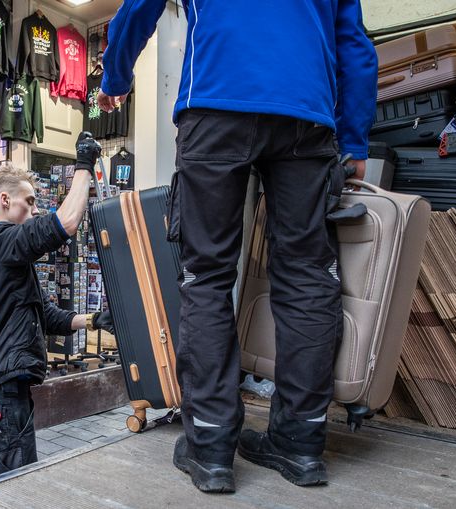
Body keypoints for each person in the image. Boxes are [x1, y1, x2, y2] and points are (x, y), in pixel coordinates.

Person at [98, 0, 378, 493]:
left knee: (205, 276)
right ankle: (301, 440)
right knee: (308, 276)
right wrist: (354, 141)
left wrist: (115, 80)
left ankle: (209, 447)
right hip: (306, 116)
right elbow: (354, 45)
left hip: (216, 102)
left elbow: (138, 7)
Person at [0, 133, 115, 480]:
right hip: (1, 390)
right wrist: (83, 166)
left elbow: (46, 315)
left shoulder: (9, 259)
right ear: (4, 200)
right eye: (28, 203)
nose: (33, 211)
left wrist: (93, 320)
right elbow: (65, 223)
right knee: (15, 482)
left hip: (6, 389)